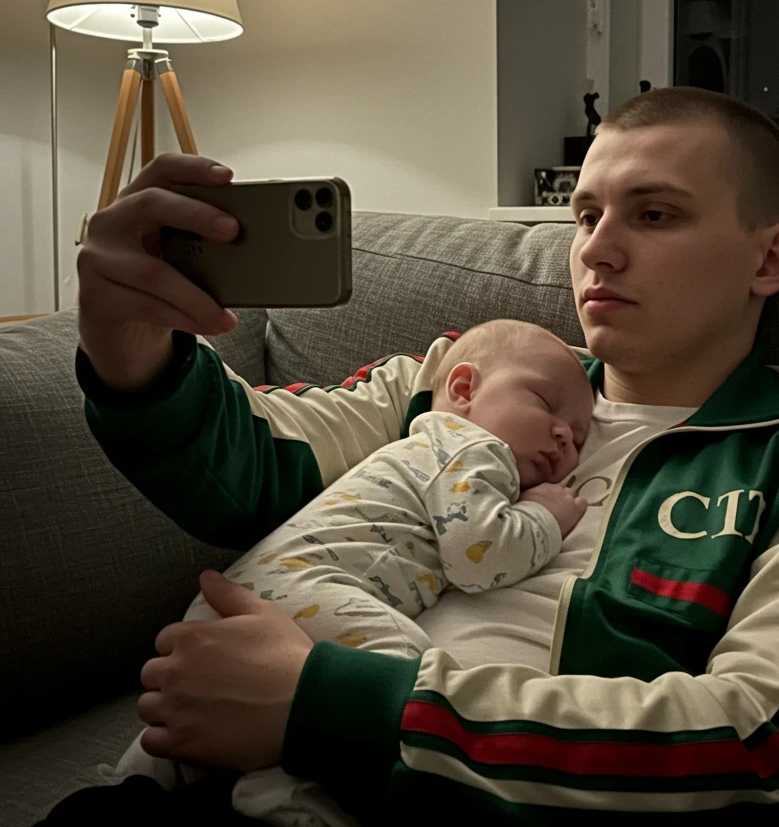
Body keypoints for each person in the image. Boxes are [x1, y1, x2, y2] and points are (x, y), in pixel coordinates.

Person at [45, 86, 779, 826]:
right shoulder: (478, 374)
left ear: (770, 258)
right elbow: (255, 472)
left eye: (655, 214)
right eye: (585, 215)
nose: (596, 250)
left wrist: (329, 705)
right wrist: (132, 353)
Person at [110, 318, 593, 820]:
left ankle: (138, 776)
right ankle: (281, 791)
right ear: (464, 389)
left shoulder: (424, 451)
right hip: (306, 590)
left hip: (254, 594)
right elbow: (480, 557)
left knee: (167, 748)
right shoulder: (470, 447)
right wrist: (545, 516)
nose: (564, 435)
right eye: (545, 404)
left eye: (579, 437)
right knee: (400, 677)